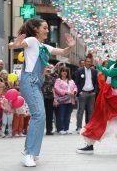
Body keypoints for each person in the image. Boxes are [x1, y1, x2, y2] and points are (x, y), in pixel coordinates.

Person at [8, 18, 75, 167]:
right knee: (39, 115)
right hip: (29, 81)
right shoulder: (31, 40)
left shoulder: (44, 46)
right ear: (36, 29)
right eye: (44, 27)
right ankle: (30, 153)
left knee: (39, 116)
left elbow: (63, 52)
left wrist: (70, 47)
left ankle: (29, 151)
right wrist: (16, 43)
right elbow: (13, 45)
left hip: (36, 84)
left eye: (47, 28)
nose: (47, 30)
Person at [74, 54, 99, 133]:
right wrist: (80, 91)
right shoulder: (79, 71)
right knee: (80, 111)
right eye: (87, 61)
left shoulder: (94, 71)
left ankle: (89, 127)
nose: (88, 63)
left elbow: (96, 82)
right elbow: (76, 82)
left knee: (91, 111)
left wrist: (95, 91)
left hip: (91, 93)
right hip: (83, 93)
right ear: (84, 62)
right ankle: (79, 127)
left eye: (90, 62)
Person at [54, 66, 77, 134]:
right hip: (62, 101)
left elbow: (75, 87)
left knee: (68, 115)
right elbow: (56, 88)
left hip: (70, 100)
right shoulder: (58, 80)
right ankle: (60, 129)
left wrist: (74, 92)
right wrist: (66, 92)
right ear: (60, 72)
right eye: (63, 71)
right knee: (61, 115)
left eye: (66, 71)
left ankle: (66, 128)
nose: (64, 73)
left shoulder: (71, 81)